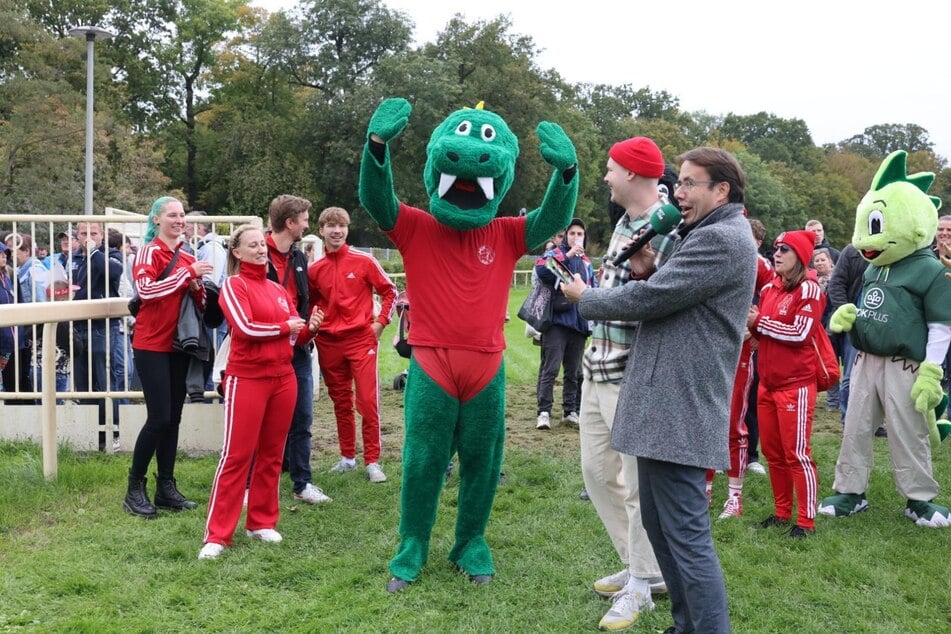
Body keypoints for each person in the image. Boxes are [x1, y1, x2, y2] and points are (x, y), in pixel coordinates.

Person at [564, 146, 757, 634]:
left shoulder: (724, 238)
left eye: (691, 183)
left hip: (680, 406)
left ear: (722, 191)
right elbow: (671, 292)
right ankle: (685, 624)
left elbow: (656, 298)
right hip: (661, 403)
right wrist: (652, 271)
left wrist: (588, 298)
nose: (680, 190)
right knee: (663, 532)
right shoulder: (705, 233)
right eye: (681, 181)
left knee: (686, 537)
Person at [573, 137, 670, 631]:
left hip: (633, 372)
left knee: (635, 486)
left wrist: (584, 295)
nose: (606, 177)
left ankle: (640, 587)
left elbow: (658, 298)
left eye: (611, 169)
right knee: (595, 473)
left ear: (633, 174)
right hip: (597, 365)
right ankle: (644, 568)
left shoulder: (669, 226)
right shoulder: (623, 225)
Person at [199, 225, 324, 560]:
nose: (260, 250)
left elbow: (292, 339)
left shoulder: (276, 289)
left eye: (261, 245)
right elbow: (246, 328)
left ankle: (261, 521)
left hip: (283, 377)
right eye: (252, 245)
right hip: (247, 378)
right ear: (237, 253)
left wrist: (308, 330)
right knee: (236, 456)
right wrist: (288, 326)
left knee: (272, 453)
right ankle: (218, 534)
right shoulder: (233, 286)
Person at [123, 196, 213, 519]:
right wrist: (185, 275)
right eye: (172, 215)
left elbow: (198, 300)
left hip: (178, 344)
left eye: (182, 215)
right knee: (159, 418)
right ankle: (135, 487)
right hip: (150, 344)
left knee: (173, 418)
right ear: (156, 220)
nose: (179, 220)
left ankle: (166, 487)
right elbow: (146, 290)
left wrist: (198, 285)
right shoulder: (148, 251)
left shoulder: (187, 254)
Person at [307, 206, 397, 483]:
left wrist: (380, 324)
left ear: (347, 229)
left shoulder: (365, 261)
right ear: (321, 230)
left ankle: (373, 461)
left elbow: (390, 291)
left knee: (368, 402)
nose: (337, 231)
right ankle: (348, 457)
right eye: (331, 226)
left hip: (361, 340)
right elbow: (309, 304)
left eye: (342, 226)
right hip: (329, 342)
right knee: (341, 402)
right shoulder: (314, 270)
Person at [748, 230, 823, 538]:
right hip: (768, 383)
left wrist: (759, 324)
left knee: (797, 454)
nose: (777, 254)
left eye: (786, 250)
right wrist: (755, 332)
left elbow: (800, 333)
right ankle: (781, 513)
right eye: (777, 249)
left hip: (796, 384)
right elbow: (765, 332)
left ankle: (806, 521)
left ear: (801, 258)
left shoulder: (810, 290)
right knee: (773, 453)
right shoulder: (770, 289)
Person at [705, 217, 774, 520]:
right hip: (708, 346)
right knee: (706, 420)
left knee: (734, 421)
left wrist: (756, 326)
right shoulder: (708, 249)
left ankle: (734, 497)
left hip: (739, 349)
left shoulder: (756, 261)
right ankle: (704, 488)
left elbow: (774, 290)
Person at [266, 195, 331, 504]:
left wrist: (310, 327)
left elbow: (302, 307)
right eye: (304, 218)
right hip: (265, 353)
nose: (308, 223)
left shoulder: (299, 258)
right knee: (264, 422)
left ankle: (302, 483)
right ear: (290, 223)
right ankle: (254, 486)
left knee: (302, 418)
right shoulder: (254, 254)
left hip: (299, 353)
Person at [533, 218, 595, 430]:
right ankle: (544, 412)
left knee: (573, 373)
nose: (576, 237)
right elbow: (542, 272)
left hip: (579, 324)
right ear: (565, 236)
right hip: (557, 322)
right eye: (572, 233)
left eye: (580, 234)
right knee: (550, 369)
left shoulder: (587, 263)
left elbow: (592, 290)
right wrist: (567, 256)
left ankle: (570, 411)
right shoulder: (555, 254)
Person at [71, 221, 125, 447]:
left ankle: (111, 434)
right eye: (83, 233)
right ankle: (90, 435)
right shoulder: (73, 259)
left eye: (93, 233)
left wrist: (93, 250)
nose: (88, 237)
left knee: (104, 382)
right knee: (83, 382)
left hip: (103, 327)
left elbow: (113, 272)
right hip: (78, 326)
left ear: (102, 234)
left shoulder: (110, 254)